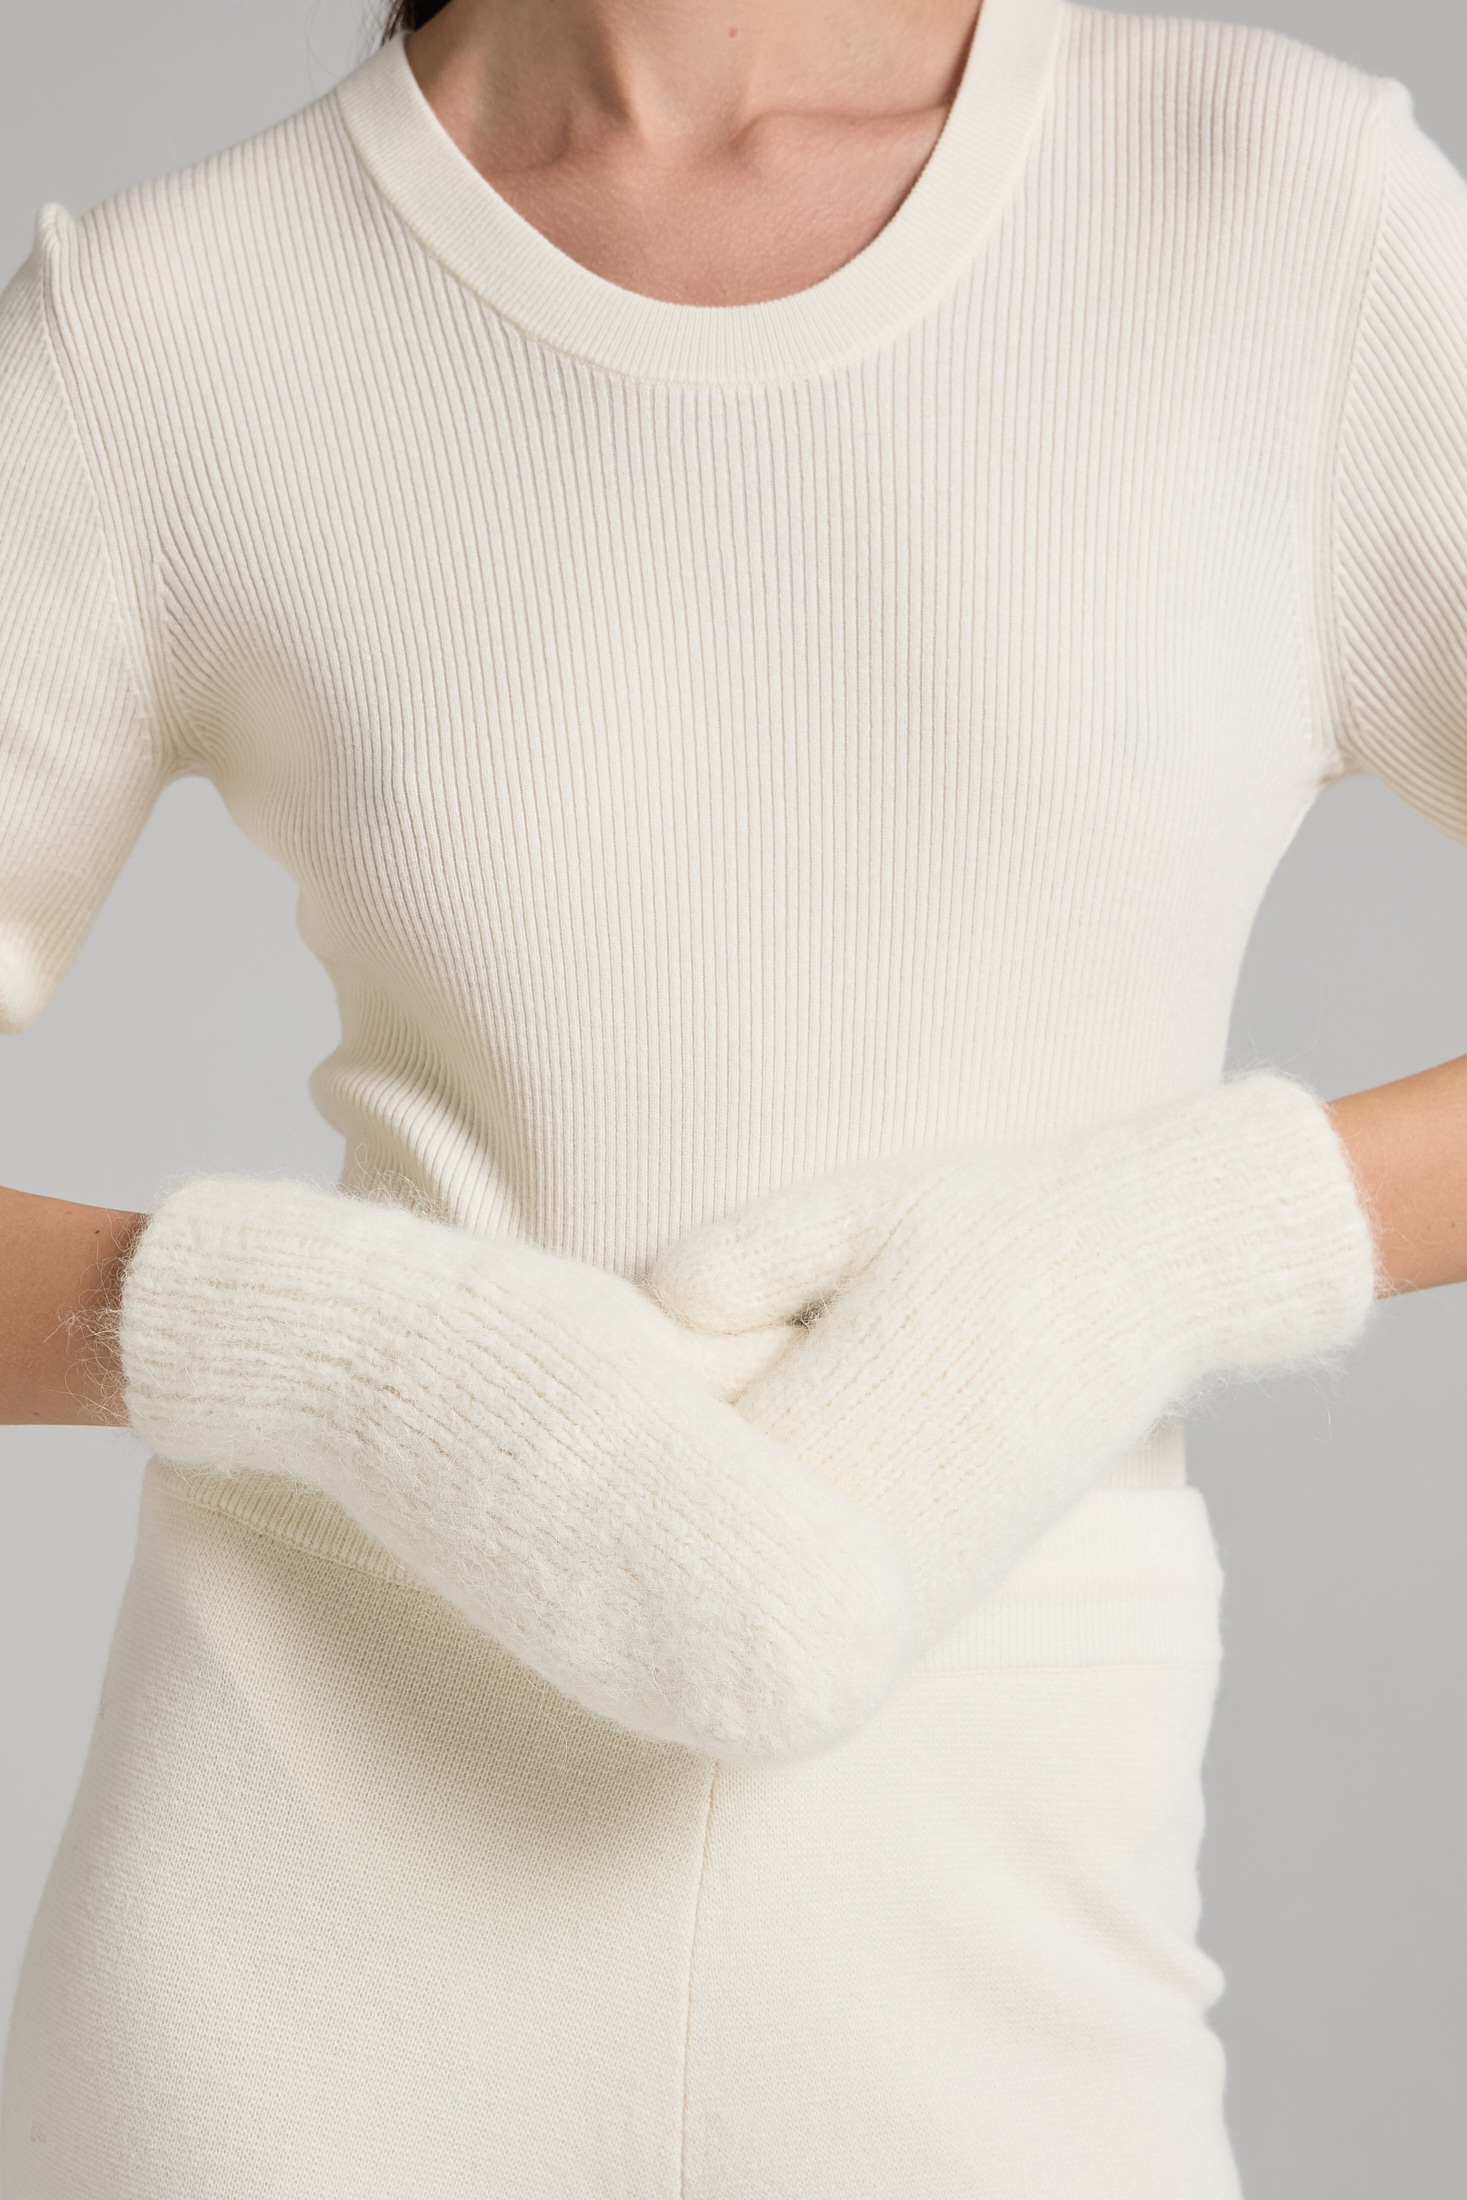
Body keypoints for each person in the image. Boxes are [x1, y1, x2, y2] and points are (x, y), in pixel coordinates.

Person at [1, 0, 1464, 2188]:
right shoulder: (177, 321)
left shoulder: (1267, 207)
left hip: (986, 1902)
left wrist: (1121, 1268)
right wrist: (333, 1354)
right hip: (293, 1938)